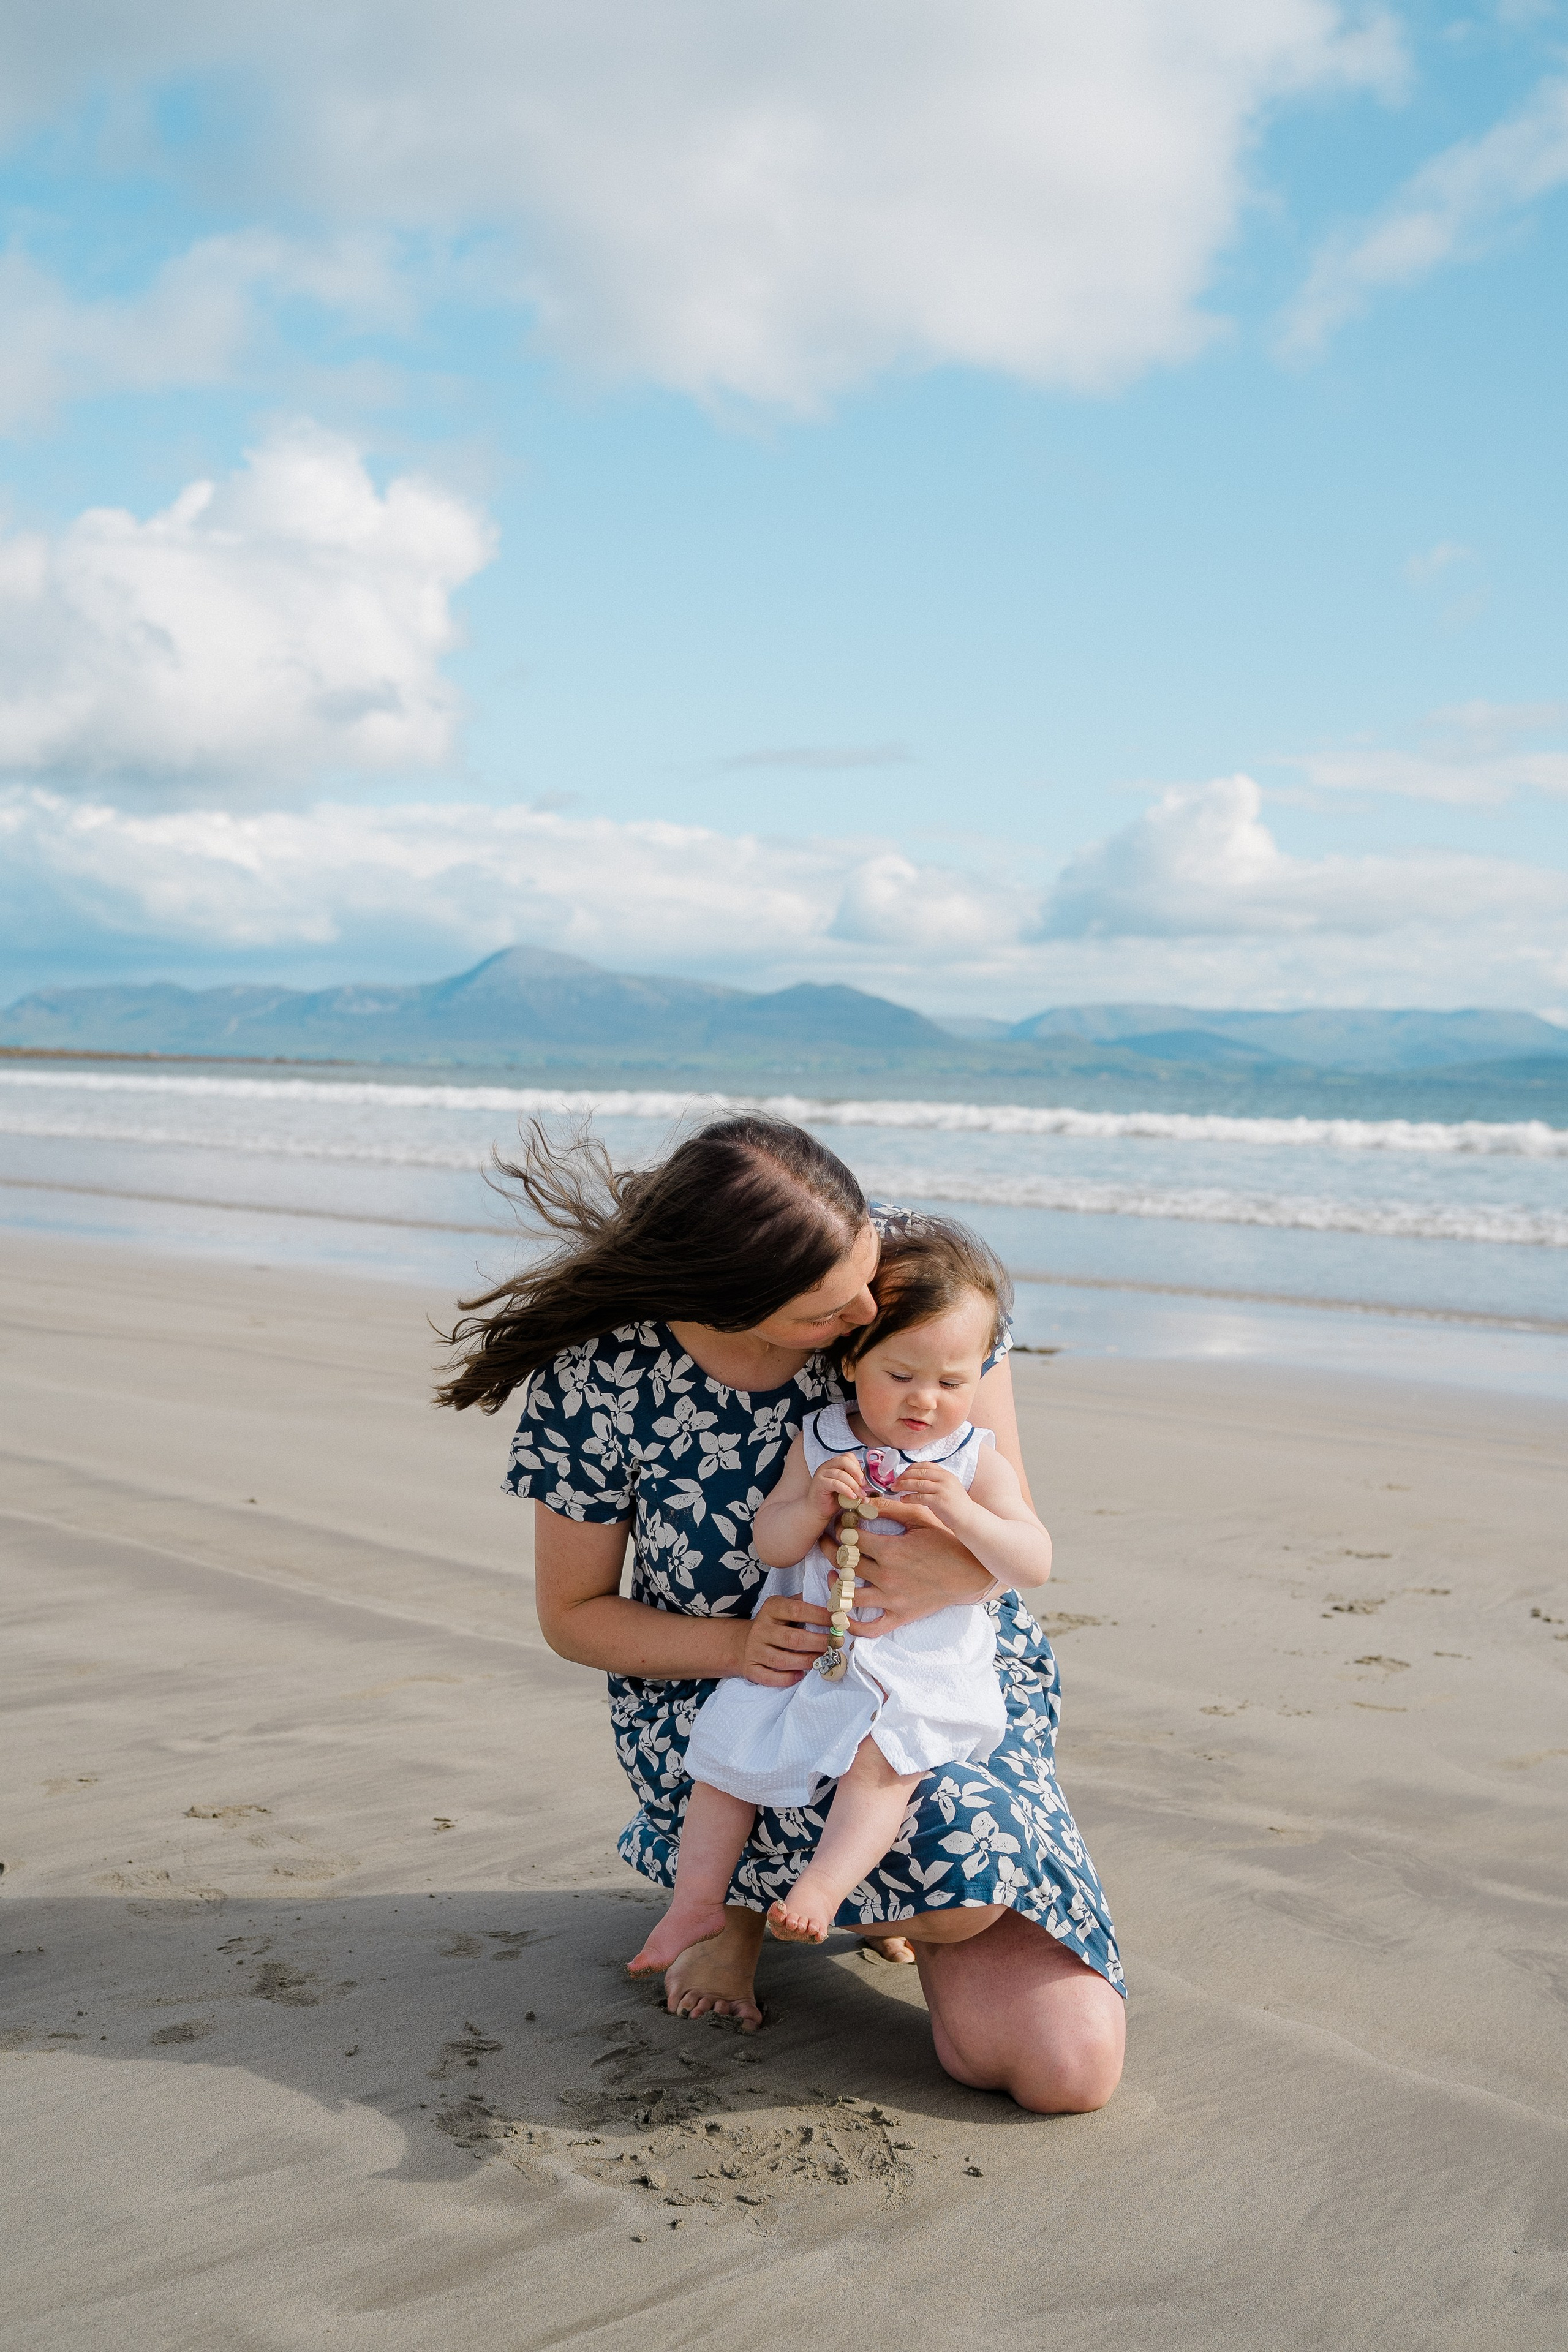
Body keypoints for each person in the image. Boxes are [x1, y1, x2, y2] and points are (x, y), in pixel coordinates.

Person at [437, 1113, 1125, 2113]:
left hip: (921, 1678)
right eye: (828, 1310)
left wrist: (952, 1578)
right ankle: (737, 1912)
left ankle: (889, 1895)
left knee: (1064, 2067)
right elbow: (575, 1616)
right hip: (730, 1688)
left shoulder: (912, 1273)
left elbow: (1006, 1518)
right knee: (772, 1780)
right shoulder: (603, 1378)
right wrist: (742, 1643)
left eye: (864, 1272)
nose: (863, 1312)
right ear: (733, 1304)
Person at [627, 1218, 1051, 1971]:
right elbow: (772, 1541)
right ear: (852, 1360)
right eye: (902, 1375)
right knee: (728, 1754)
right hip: (807, 1658)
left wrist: (963, 1514)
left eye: (953, 1383)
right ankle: (695, 1902)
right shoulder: (822, 1439)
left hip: (913, 1668)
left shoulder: (972, 1459)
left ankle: (826, 1891)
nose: (926, 1401)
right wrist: (813, 1504)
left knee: (878, 1763)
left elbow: (1033, 1559)